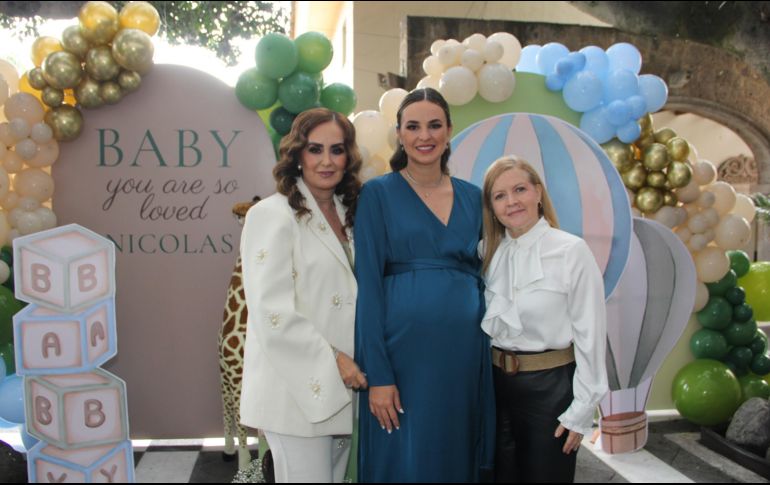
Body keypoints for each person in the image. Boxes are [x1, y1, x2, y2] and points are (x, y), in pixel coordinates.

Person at [354, 87, 495, 483]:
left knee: (454, 451)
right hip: (401, 356)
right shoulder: (377, 194)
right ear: (399, 134)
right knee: (403, 457)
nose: (424, 136)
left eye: (434, 125)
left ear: (449, 130)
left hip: (463, 354)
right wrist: (378, 374)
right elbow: (368, 289)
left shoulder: (474, 198)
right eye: (413, 127)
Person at [239, 108, 367, 483]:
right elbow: (271, 312)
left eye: (337, 150)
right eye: (315, 149)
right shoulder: (271, 214)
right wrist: (335, 359)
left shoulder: (351, 214)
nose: (327, 161)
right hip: (296, 390)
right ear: (297, 154)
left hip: (344, 389)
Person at [479, 155, 608, 483]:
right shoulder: (487, 254)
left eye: (520, 189)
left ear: (538, 192)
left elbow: (591, 335)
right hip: (494, 387)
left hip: (549, 389)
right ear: (491, 208)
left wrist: (582, 409)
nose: (512, 201)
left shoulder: (571, 251)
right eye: (500, 195)